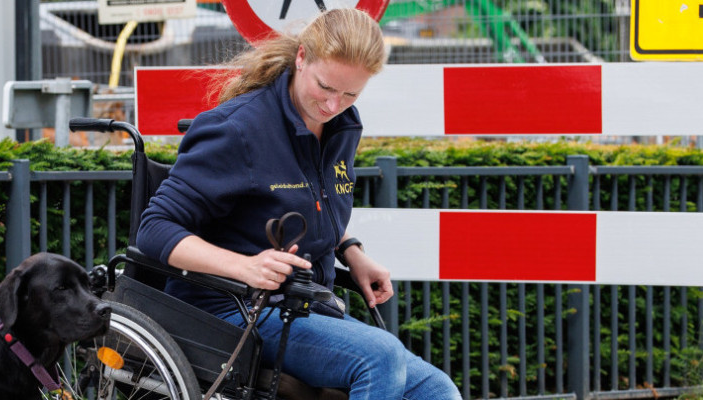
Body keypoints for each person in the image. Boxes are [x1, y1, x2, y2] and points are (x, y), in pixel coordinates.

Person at [133, 8, 460, 400]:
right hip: (231, 309)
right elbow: (154, 229)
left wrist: (350, 249)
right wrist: (246, 267)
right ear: (301, 57)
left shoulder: (341, 127)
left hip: (304, 306)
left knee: (436, 389)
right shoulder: (238, 129)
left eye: (350, 93)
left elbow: (314, 201)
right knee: (381, 358)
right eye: (325, 86)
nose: (332, 104)